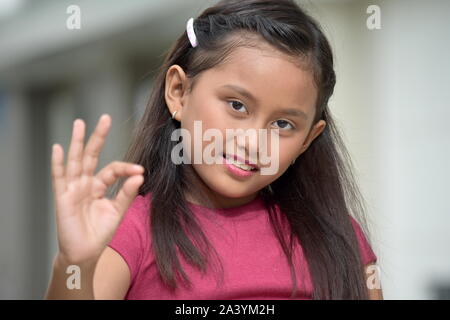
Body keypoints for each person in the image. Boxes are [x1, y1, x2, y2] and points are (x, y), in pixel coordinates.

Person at [45, 0, 383, 300]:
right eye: (236, 105)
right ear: (179, 92)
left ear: (308, 139)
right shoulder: (131, 232)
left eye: (283, 125)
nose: (253, 142)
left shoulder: (337, 238)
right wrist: (73, 264)